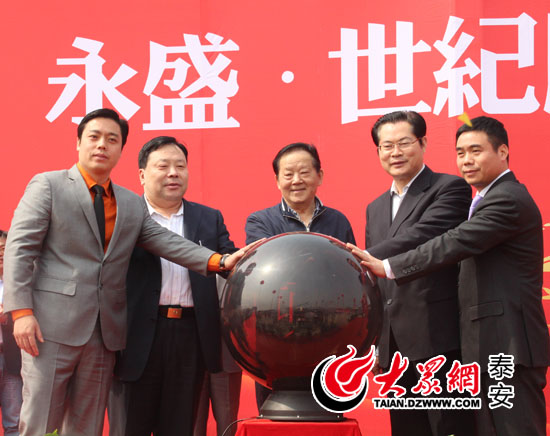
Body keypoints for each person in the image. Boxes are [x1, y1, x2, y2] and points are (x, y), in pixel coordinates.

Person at [3, 108, 252, 436]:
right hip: (50, 330)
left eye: (112, 139)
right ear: (78, 142)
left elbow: (165, 241)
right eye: (94, 137)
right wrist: (21, 312)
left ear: (120, 149)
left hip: (104, 336)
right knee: (40, 420)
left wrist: (218, 261)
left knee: (87, 425)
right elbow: (20, 248)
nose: (102, 145)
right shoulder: (48, 185)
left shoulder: (129, 203)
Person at [353, 116, 550, 436]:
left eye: (476, 151)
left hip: (503, 343)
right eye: (460, 153)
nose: (466, 160)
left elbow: (449, 242)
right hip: (477, 347)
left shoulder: (505, 198)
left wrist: (386, 266)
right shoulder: (482, 200)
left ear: (503, 152)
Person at [348, 111, 474, 436]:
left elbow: (423, 236)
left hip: (439, 339)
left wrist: (357, 257)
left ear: (423, 143)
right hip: (394, 348)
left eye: (404, 143)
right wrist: (377, 344)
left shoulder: (450, 188)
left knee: (449, 427)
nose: (396, 153)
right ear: (378, 151)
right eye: (387, 146)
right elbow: (377, 281)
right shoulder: (375, 207)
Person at [108, 136, 238, 436]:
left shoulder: (208, 218)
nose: (173, 173)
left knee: (180, 426)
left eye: (180, 166)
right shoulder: (122, 216)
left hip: (190, 336)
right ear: (142, 175)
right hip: (135, 336)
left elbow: (228, 262)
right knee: (130, 426)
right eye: (163, 166)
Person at [245, 142, 355, 410]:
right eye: (288, 174)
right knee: (277, 412)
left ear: (320, 176)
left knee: (330, 410)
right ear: (277, 180)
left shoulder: (338, 221)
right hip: (276, 332)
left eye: (304, 172)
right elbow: (266, 268)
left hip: (330, 330)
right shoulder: (260, 221)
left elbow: (351, 274)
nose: (296, 180)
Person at [193, 276, 242, 436]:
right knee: (193, 424)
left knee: (227, 423)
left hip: (225, 352)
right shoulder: (184, 263)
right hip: (194, 352)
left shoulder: (236, 267)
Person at [0, 230, 23, 436]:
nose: (1, 254)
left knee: (15, 422)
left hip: (12, 360)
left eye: (4, 249)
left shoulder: (21, 285)